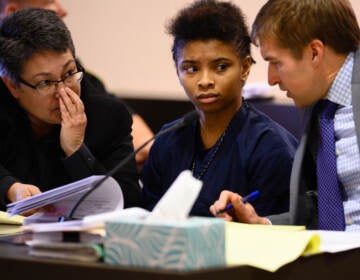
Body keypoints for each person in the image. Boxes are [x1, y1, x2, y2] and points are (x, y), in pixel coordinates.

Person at [210, 0, 360, 231]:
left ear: (314, 52)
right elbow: (321, 213)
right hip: (332, 262)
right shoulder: (319, 108)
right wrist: (261, 224)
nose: (271, 79)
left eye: (275, 63)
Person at [141, 0, 298, 217]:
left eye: (220, 67)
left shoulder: (271, 147)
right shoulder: (166, 141)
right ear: (178, 71)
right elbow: (145, 220)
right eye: (191, 68)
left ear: (244, 68)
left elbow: (278, 232)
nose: (205, 81)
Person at [0, 8, 142, 211]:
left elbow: (127, 205)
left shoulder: (108, 116)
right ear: (12, 86)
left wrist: (76, 151)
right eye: (45, 83)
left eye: (69, 72)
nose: (64, 91)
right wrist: (9, 188)